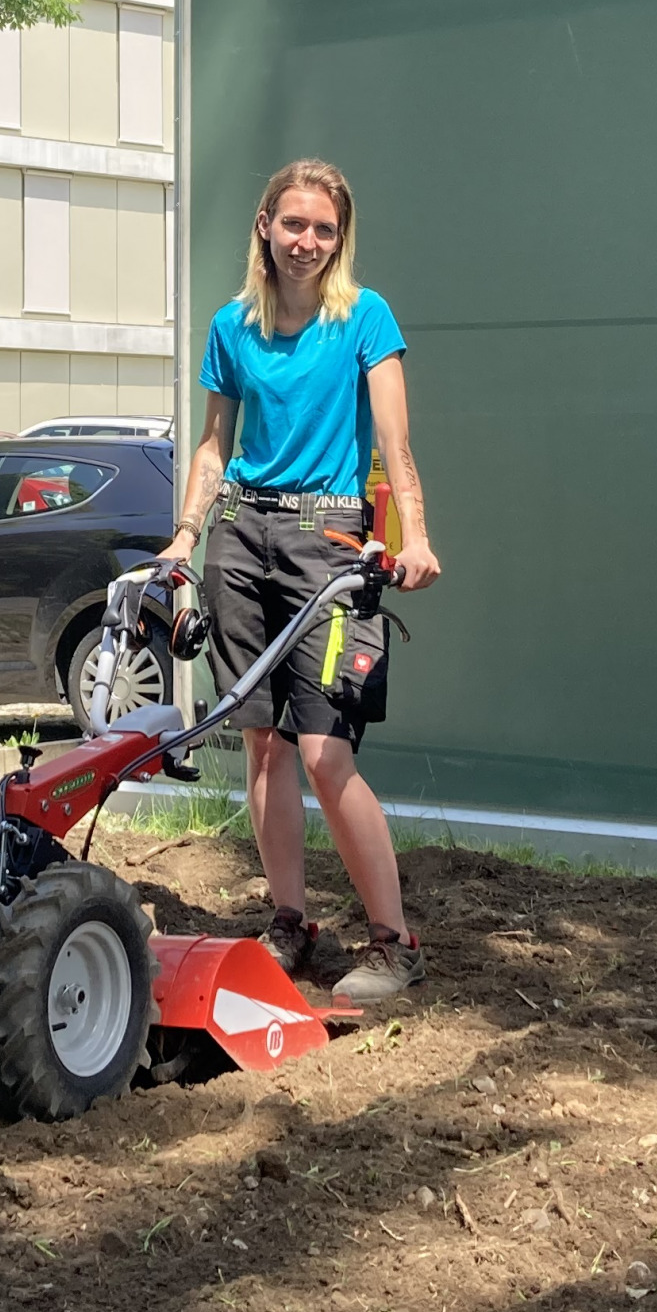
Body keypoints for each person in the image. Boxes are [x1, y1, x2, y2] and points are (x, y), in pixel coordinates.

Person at [160, 158, 440, 1005]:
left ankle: (393, 942)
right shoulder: (231, 326)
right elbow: (214, 445)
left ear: (338, 237)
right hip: (241, 537)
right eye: (294, 224)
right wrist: (184, 536)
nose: (308, 241)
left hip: (329, 539)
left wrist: (415, 535)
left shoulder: (365, 319)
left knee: (324, 751)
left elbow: (394, 444)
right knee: (262, 742)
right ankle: (290, 922)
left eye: (324, 228)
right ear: (265, 227)